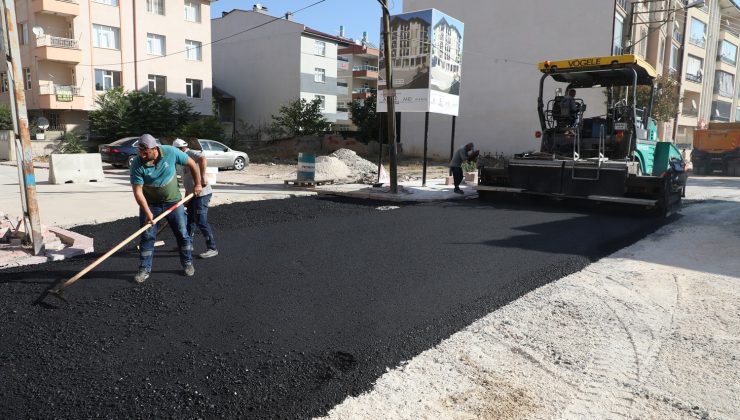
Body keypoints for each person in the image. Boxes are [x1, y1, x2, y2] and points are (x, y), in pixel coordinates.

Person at [130, 134, 202, 283]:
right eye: (140, 152)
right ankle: (144, 269)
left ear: (154, 149)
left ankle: (187, 263)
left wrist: (198, 184)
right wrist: (148, 212)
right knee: (147, 236)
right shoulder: (137, 163)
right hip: (150, 204)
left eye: (145, 152)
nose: (142, 155)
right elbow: (138, 192)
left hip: (173, 202)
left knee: (182, 233)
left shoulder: (171, 152)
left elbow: (192, 164)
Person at [173, 138, 218, 259]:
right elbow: (188, 181)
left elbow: (203, 158)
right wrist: (186, 198)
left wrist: (203, 177)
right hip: (192, 194)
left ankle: (212, 248)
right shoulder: (181, 160)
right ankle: (187, 244)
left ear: (181, 149)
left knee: (201, 221)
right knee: (190, 220)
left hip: (202, 193)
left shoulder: (189, 153)